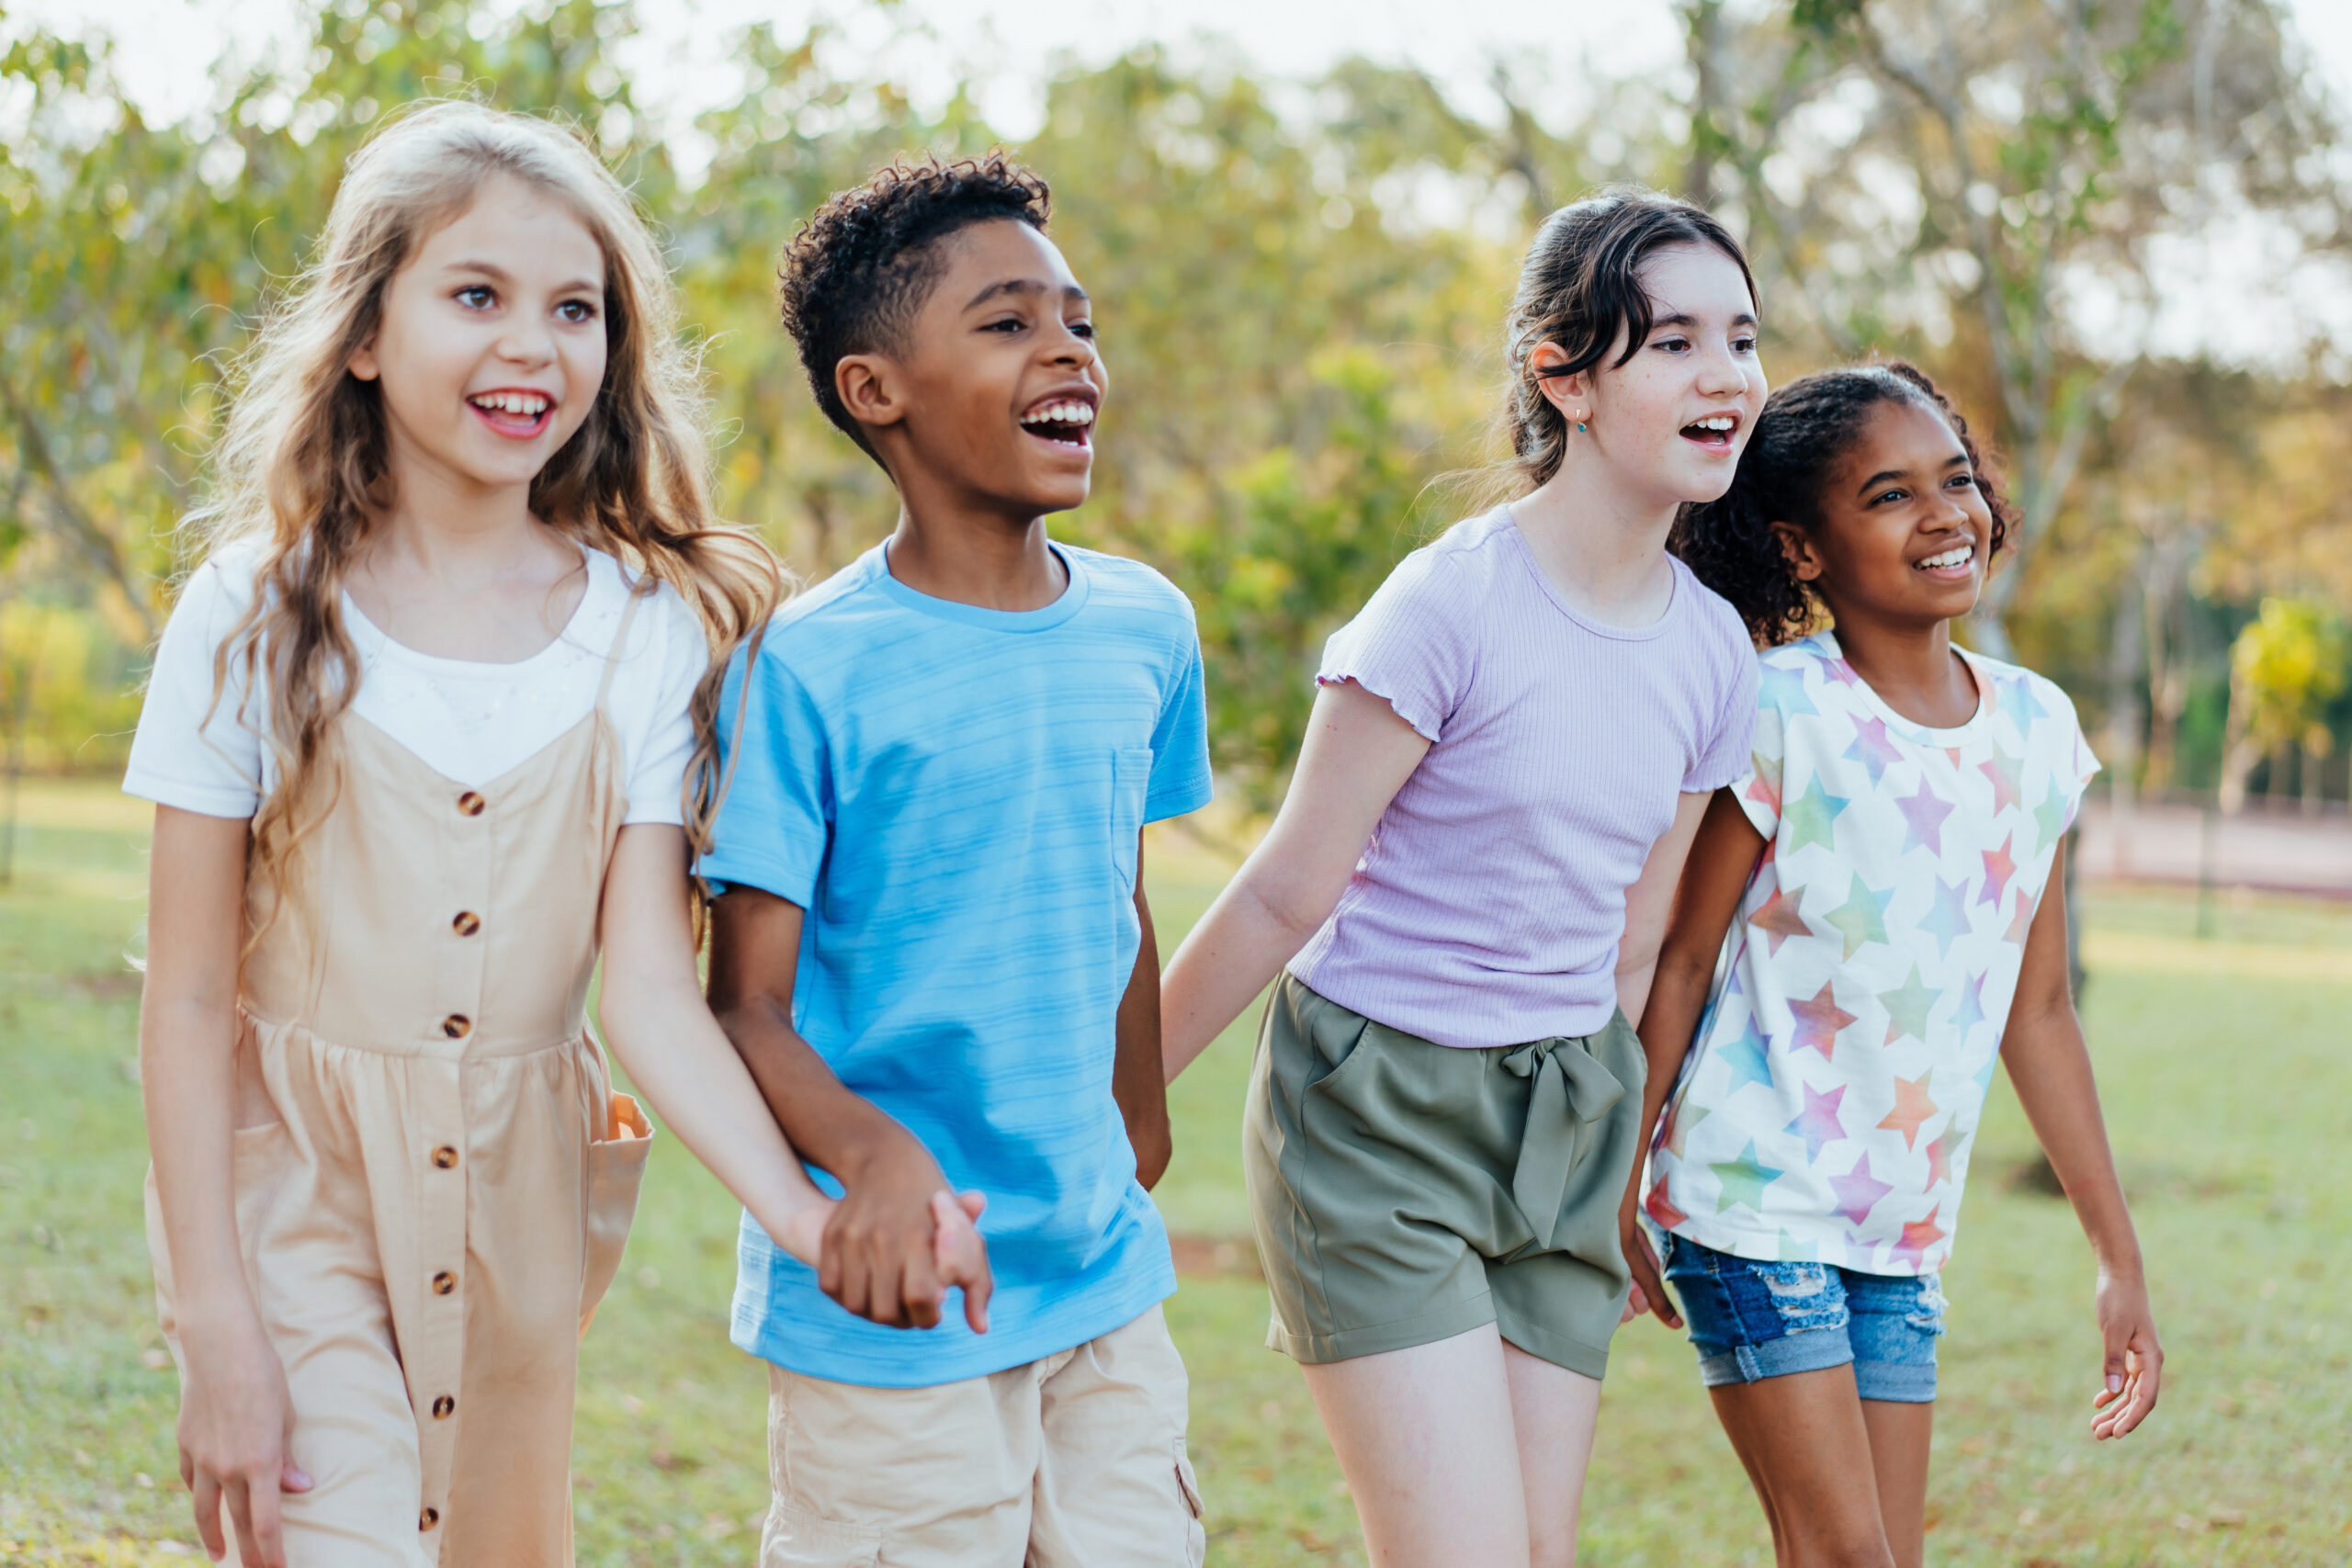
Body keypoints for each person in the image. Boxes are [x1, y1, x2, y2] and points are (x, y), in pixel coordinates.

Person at [127, 103, 978, 1568]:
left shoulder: (647, 630)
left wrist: (796, 1210)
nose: (533, 346)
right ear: (365, 335)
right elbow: (191, 998)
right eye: (477, 296)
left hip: (521, 1203)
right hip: (292, 1197)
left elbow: (646, 983)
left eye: (574, 308)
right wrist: (215, 1325)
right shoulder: (250, 615)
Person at [1157, 186, 1766, 1568]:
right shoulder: (1447, 605)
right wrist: (1113, 1106)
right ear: (1566, 375)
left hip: (1564, 1117)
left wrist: (1622, 1161)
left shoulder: (1714, 653)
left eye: (1741, 336)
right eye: (1673, 342)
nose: (1724, 372)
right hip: (1375, 1112)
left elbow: (1633, 945)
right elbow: (1279, 891)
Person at [698, 152, 1215, 1567]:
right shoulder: (805, 668)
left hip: (1104, 1279)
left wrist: (1140, 1110)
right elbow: (742, 999)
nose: (1068, 352)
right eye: (1006, 324)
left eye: (1079, 321)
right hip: (895, 1297)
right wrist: (874, 1165)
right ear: (878, 391)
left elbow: (1115, 893)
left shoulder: (1145, 629)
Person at [1632, 363, 2163, 1568]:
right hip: (1750, 1201)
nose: (1943, 515)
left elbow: (2039, 1014)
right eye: (1888, 494)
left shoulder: (2037, 732)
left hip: (1902, 1233)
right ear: (1801, 549)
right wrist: (1620, 1166)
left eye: (1957, 479)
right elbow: (1681, 960)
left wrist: (2114, 1255)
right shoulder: (1778, 710)